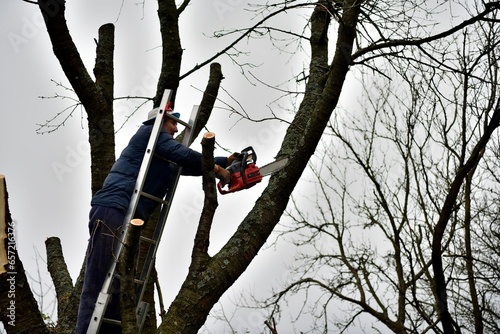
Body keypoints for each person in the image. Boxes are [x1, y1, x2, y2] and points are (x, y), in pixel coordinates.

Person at [75, 107, 234, 333]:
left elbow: (184, 166)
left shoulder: (159, 155)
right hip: (113, 209)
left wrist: (225, 161)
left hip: (126, 216)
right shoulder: (150, 133)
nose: (177, 128)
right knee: (98, 278)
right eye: (173, 123)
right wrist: (217, 169)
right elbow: (182, 155)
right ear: (161, 121)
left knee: (120, 285)